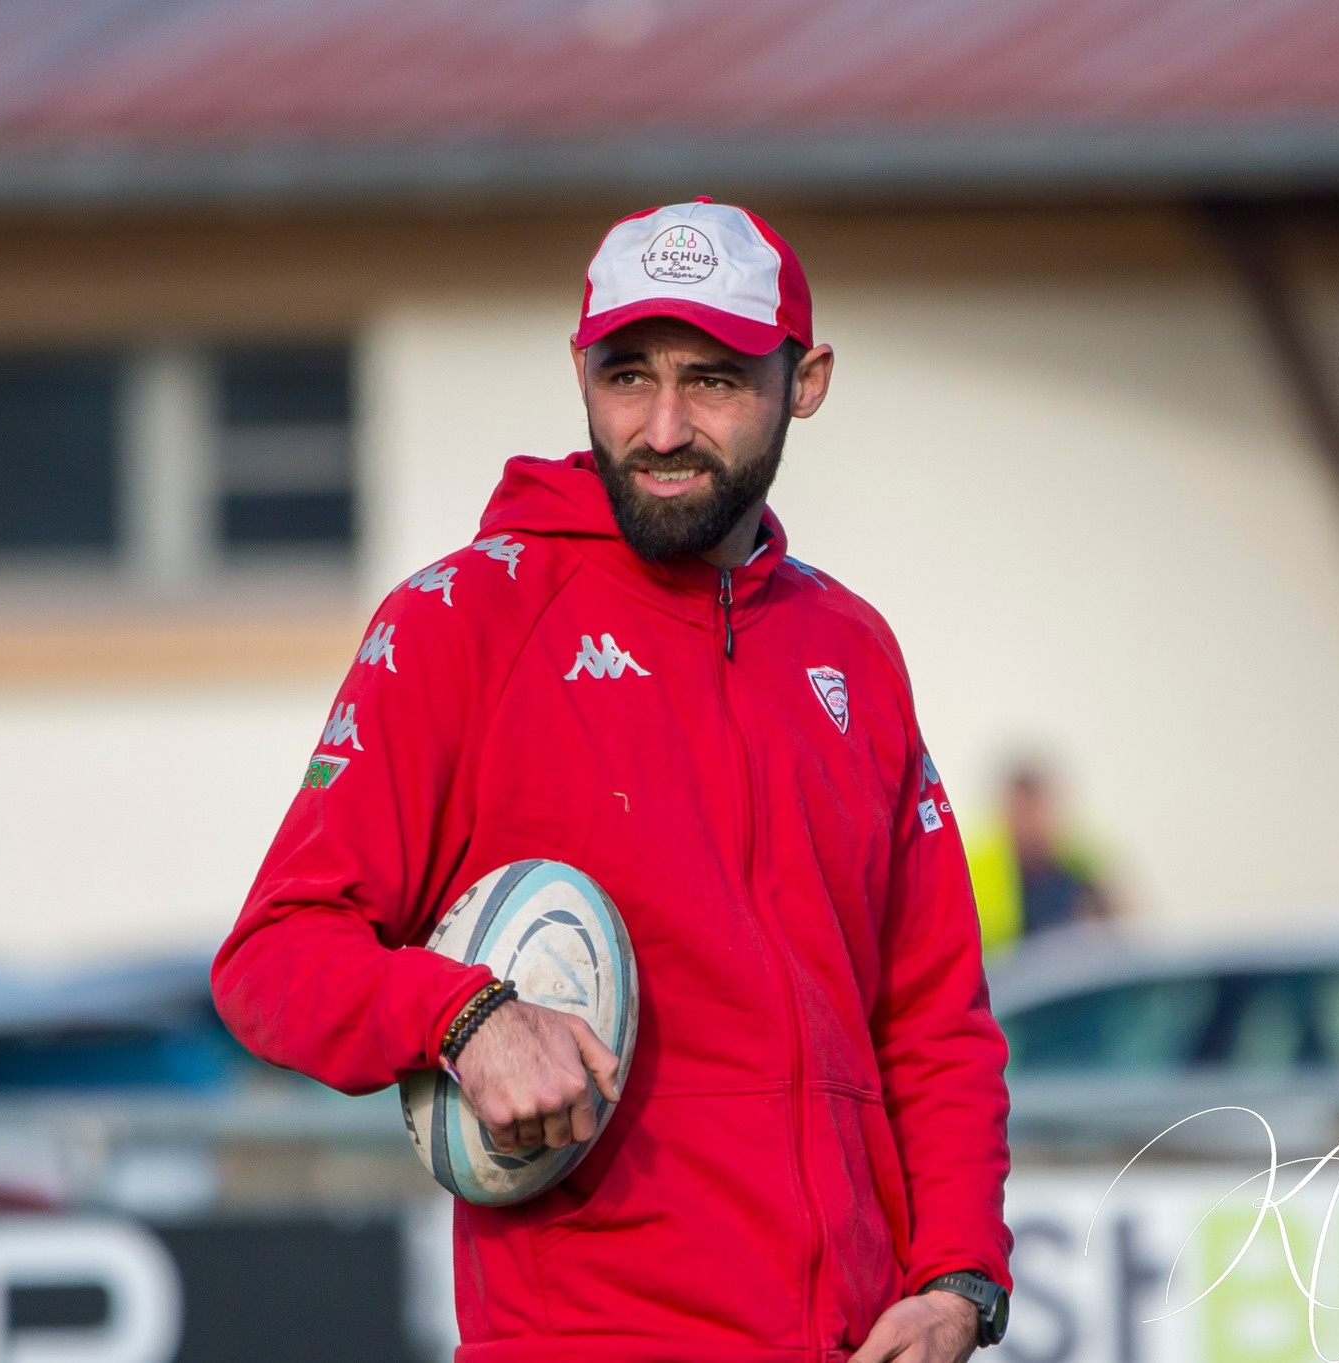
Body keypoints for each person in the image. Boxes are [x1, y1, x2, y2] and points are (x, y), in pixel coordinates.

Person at [213, 198, 1012, 1362]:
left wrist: (955, 1278)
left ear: (808, 379)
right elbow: (272, 957)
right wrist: (464, 1017)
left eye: (716, 380)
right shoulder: (462, 620)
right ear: (579, 374)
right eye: (626, 376)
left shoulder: (853, 650)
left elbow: (932, 1017)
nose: (664, 425)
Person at [969, 760, 1116, 955]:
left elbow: (1119, 928)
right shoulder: (979, 874)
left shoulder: (1078, 865)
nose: (1028, 824)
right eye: (1021, 813)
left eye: (1034, 811)